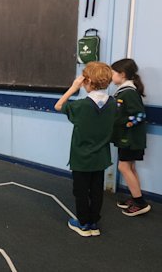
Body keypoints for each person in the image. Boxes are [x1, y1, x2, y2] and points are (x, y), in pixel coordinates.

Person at [54, 62, 116, 237]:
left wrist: (73, 88)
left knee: (81, 192)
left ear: (86, 81)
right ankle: (93, 223)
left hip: (82, 158)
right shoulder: (112, 103)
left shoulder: (81, 105)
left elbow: (58, 106)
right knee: (97, 191)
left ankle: (82, 224)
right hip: (101, 157)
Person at [111, 58, 151, 216]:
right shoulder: (123, 90)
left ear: (122, 74)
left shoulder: (129, 92)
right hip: (127, 138)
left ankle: (140, 203)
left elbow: (139, 116)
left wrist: (123, 125)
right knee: (130, 168)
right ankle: (136, 197)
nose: (110, 76)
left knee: (123, 167)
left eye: (112, 73)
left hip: (130, 139)